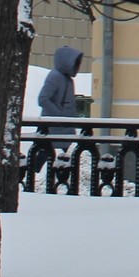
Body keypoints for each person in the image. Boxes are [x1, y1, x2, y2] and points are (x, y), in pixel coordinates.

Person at [28, 46, 85, 180]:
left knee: (56, 152)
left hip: (63, 125)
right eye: (75, 63)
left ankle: (55, 178)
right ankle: (33, 178)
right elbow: (43, 99)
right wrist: (58, 115)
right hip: (54, 126)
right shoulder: (55, 77)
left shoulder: (67, 79)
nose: (77, 67)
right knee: (45, 151)